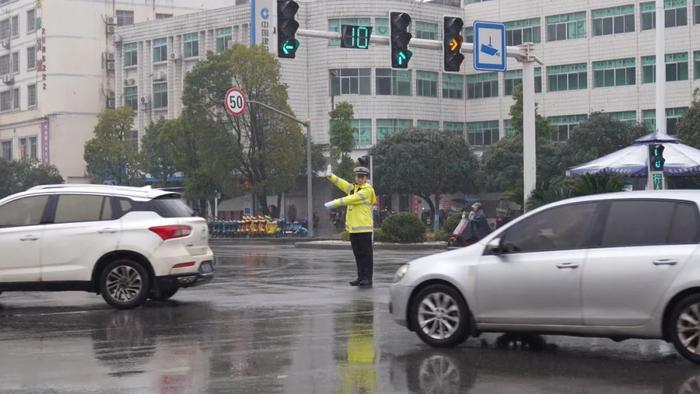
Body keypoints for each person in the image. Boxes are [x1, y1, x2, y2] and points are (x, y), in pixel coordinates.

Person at [322, 163, 377, 288]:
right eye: (358, 176)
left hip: (364, 229)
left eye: (362, 177)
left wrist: (334, 203)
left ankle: (367, 278)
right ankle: (360, 277)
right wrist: (331, 176)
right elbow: (341, 183)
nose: (359, 178)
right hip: (354, 230)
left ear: (366, 178)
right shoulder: (353, 188)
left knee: (366, 256)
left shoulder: (367, 190)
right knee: (358, 255)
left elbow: (351, 199)